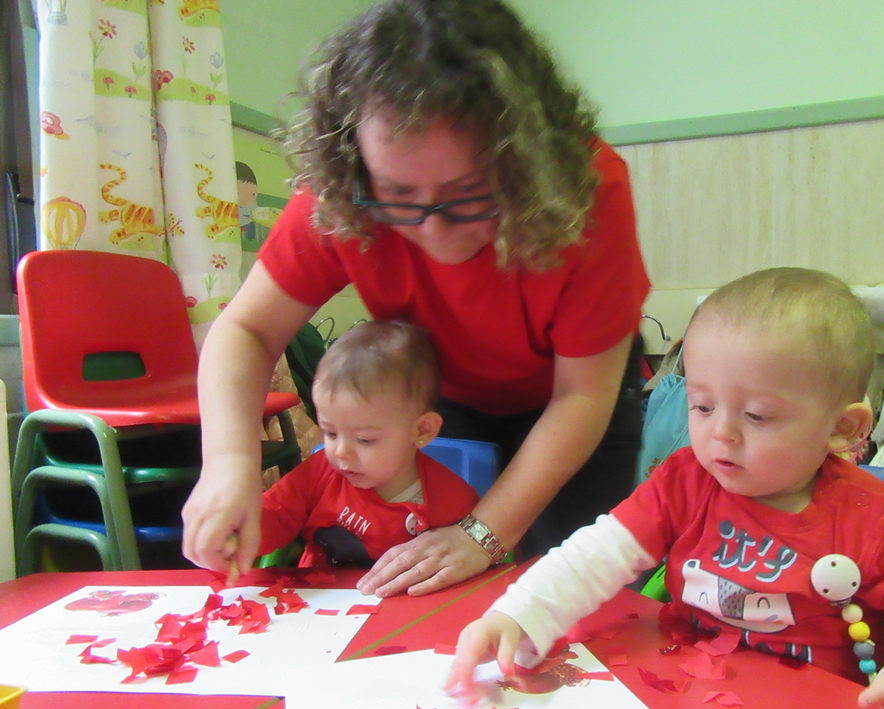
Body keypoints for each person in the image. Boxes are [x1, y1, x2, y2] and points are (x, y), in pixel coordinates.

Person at [181, 0, 649, 596]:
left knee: (568, 588)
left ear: (524, 165)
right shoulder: (341, 192)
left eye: (470, 195)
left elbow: (581, 396)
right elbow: (245, 331)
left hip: (576, 402)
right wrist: (229, 462)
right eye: (398, 197)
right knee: (429, 581)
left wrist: (483, 535)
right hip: (441, 393)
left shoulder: (588, 190)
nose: (434, 231)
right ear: (354, 164)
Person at [446, 268, 884, 709]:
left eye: (757, 416)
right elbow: (596, 554)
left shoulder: (876, 520)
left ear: (842, 428)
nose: (720, 435)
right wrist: (520, 614)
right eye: (703, 405)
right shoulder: (686, 480)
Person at [252, 320, 479, 569]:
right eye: (330, 433)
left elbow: (478, 567)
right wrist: (236, 530)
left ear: (422, 430)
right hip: (318, 600)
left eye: (364, 439)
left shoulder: (452, 501)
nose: (340, 452)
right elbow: (274, 516)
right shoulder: (318, 473)